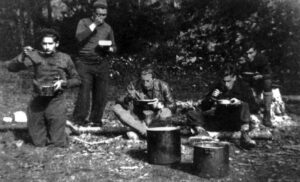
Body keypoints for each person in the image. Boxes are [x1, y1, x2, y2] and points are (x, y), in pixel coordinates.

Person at [5, 28, 81, 147]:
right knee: (38, 143)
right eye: (44, 43)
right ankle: (54, 126)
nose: (47, 47)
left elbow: (77, 80)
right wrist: (22, 55)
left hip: (56, 101)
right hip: (38, 101)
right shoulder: (35, 56)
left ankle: (63, 128)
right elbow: (11, 67)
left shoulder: (64, 58)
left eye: (50, 44)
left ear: (57, 44)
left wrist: (63, 83)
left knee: (57, 143)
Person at [187, 64, 258, 148]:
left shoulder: (244, 87)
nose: (225, 84)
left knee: (244, 104)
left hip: (236, 121)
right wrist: (211, 98)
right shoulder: (219, 86)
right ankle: (202, 133)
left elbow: (254, 108)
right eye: (224, 81)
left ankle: (244, 136)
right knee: (192, 113)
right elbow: (204, 107)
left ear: (234, 78)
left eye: (228, 81)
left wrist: (239, 102)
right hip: (220, 119)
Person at [73, 0, 117, 126]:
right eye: (99, 14)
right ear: (93, 13)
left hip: (101, 62)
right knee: (84, 93)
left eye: (104, 15)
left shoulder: (108, 28)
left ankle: (95, 120)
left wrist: (109, 49)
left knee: (101, 93)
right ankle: (79, 120)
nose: (101, 17)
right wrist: (94, 25)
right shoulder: (83, 22)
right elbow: (79, 37)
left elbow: (114, 47)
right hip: (84, 62)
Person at [112, 65, 176, 138]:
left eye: (148, 81)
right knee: (116, 108)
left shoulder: (163, 85)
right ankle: (145, 132)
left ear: (153, 79)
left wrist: (160, 105)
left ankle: (139, 131)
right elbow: (119, 100)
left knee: (166, 112)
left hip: (155, 117)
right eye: (143, 81)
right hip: (138, 118)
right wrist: (128, 97)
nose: (145, 84)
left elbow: (173, 106)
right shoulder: (133, 85)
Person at [240, 42, 273, 127]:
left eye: (251, 53)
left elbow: (270, 74)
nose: (248, 56)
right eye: (246, 53)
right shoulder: (241, 59)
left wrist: (261, 76)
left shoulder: (261, 58)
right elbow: (233, 73)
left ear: (255, 52)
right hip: (246, 83)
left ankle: (267, 113)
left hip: (258, 82)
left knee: (268, 82)